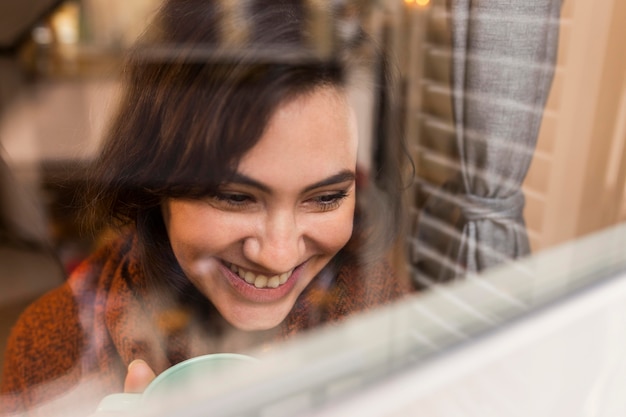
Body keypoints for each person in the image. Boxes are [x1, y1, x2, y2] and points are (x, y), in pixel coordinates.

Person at [0, 0, 410, 414]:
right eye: (234, 197)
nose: (278, 254)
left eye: (325, 198)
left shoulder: (380, 311)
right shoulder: (51, 351)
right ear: (154, 180)